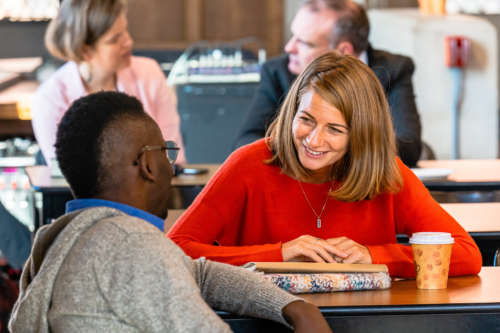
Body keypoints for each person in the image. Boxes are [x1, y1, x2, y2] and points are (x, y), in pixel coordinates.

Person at [8, 92, 331, 332]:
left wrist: (291, 305)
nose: (171, 166)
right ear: (147, 164)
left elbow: (197, 272)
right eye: (167, 152)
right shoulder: (131, 243)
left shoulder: (65, 236)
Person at [168, 52, 482, 278]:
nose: (314, 140)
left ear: (361, 135)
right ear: (292, 111)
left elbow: (467, 255)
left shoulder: (388, 173)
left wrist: (373, 256)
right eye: (305, 120)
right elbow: (173, 252)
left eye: (334, 130)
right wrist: (280, 254)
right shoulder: (249, 163)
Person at [235, 0, 422, 167]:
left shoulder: (395, 70)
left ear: (342, 51)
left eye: (305, 43)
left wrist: (333, 151)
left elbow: (408, 147)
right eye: (293, 36)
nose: (289, 47)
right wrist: (310, 150)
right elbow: (247, 141)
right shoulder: (278, 71)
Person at [31, 0, 185, 165]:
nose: (128, 42)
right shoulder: (50, 98)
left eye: (125, 30)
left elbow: (172, 159)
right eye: (114, 39)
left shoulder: (149, 74)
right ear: (84, 51)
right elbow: (63, 173)